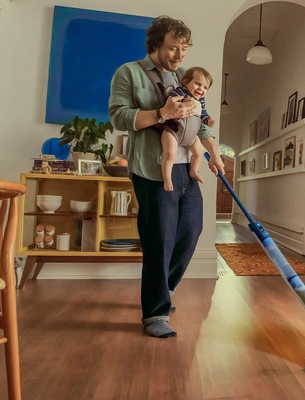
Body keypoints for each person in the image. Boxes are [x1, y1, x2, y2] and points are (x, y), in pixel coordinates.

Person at [108, 15, 223, 339]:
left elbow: (200, 123)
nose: (179, 55)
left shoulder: (182, 78)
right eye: (174, 48)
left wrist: (214, 153)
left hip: (186, 168)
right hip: (152, 169)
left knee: (190, 230)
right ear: (156, 43)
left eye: (184, 49)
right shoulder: (129, 72)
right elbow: (119, 116)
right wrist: (162, 114)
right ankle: (156, 312)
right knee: (159, 240)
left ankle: (163, 289)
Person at [158, 67, 218, 192]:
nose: (201, 89)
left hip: (190, 137)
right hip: (174, 131)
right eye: (197, 84)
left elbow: (203, 114)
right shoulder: (180, 92)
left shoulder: (200, 101)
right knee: (170, 155)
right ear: (186, 82)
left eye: (205, 87)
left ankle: (194, 170)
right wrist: (184, 101)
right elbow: (170, 102)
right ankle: (167, 178)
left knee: (198, 152)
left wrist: (208, 120)